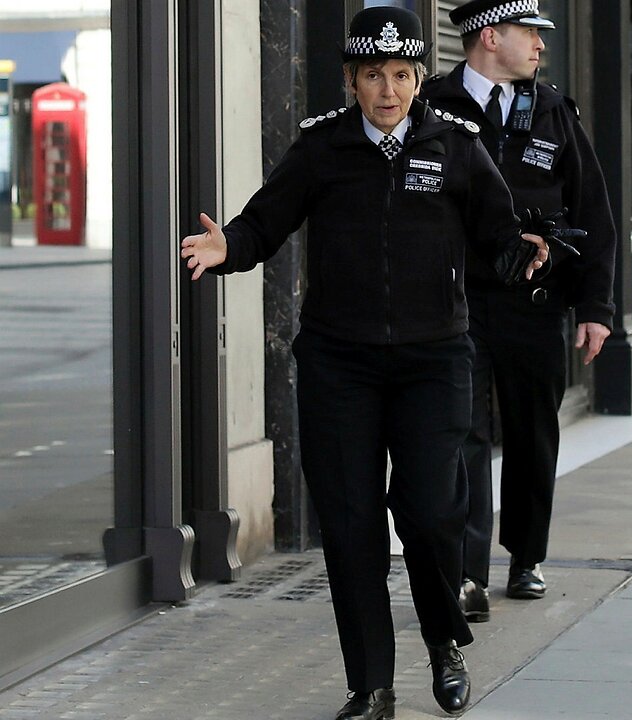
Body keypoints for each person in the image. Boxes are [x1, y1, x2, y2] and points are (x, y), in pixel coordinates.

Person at [178, 8, 547, 719]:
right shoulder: (323, 148)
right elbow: (263, 222)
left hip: (434, 361)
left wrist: (526, 255)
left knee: (431, 512)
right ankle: (372, 686)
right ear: (352, 79)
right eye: (373, 75)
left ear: (418, 78)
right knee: (349, 527)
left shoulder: (457, 146)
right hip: (339, 364)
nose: (388, 90)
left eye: (402, 74)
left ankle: (444, 640)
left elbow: (499, 236)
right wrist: (228, 250)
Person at [422, 0, 616, 618]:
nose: (539, 45)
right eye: (529, 33)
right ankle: (466, 573)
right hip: (458, 305)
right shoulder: (432, 105)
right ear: (489, 36)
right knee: (463, 435)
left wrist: (596, 306)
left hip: (535, 304)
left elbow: (593, 214)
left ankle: (527, 556)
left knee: (533, 430)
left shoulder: (553, 110)